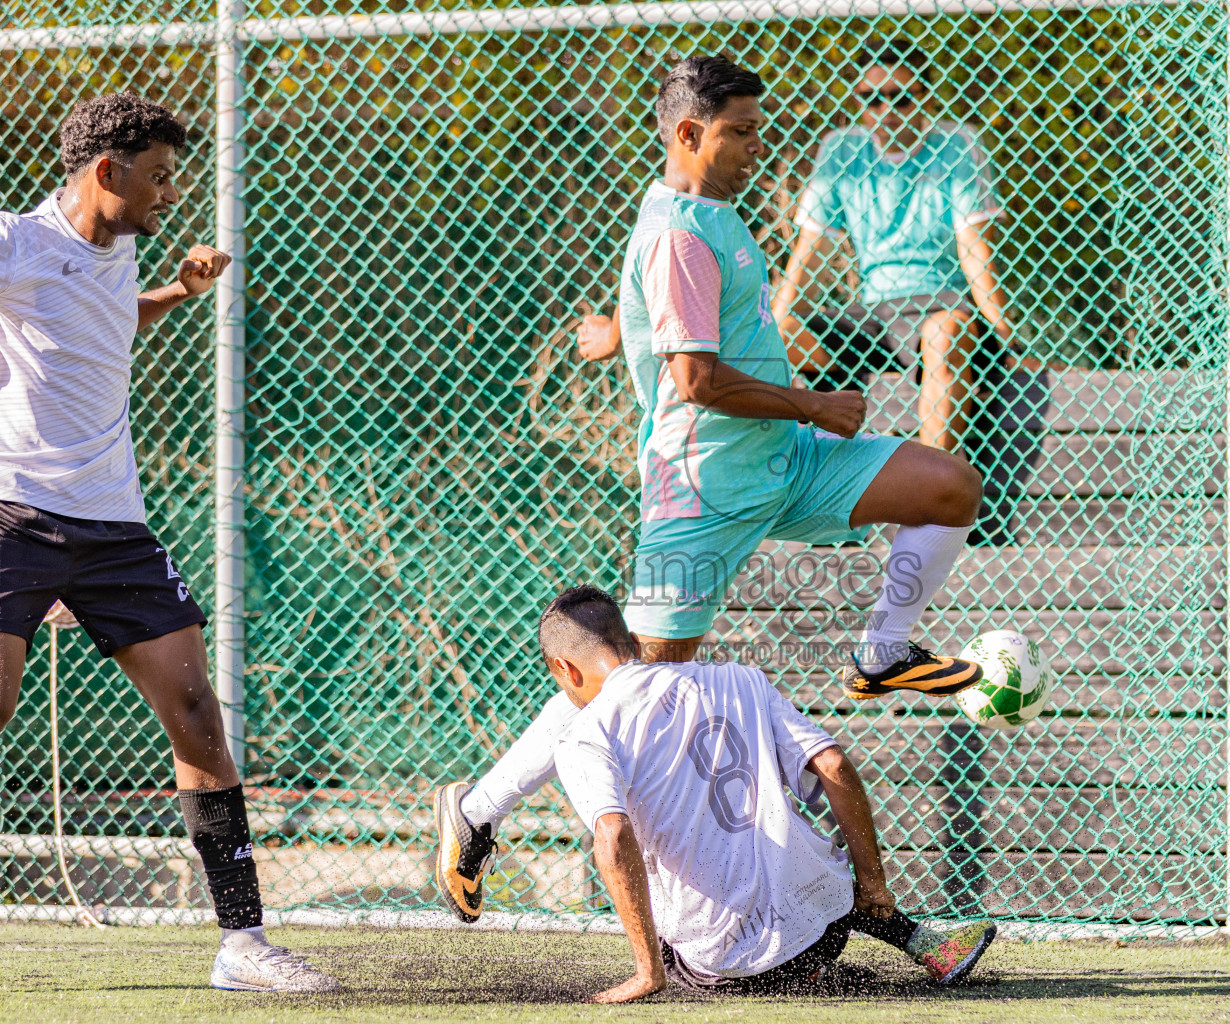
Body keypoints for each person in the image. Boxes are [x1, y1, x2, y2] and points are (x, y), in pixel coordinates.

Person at [0, 94, 335, 993]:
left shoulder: (124, 253)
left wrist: (178, 294)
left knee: (198, 720)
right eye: (158, 176)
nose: (170, 194)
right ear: (105, 173)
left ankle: (243, 944)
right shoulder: (18, 247)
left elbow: (105, 326)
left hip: (116, 532)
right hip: (12, 518)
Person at [570, 55, 984, 700]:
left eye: (756, 128)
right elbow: (695, 381)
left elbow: (680, 305)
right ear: (688, 135)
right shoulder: (678, 232)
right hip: (707, 483)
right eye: (739, 131)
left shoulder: (710, 212)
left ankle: (884, 655)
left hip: (783, 462)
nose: (756, 145)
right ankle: (483, 803)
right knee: (643, 687)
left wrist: (620, 329)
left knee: (948, 486)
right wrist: (812, 405)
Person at [434, 586, 997, 1002]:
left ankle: (767, 971)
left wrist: (645, 970)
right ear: (632, 640)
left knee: (693, 903)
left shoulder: (583, 733)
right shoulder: (742, 679)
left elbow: (612, 834)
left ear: (563, 668)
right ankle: (914, 939)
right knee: (793, 844)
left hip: (722, 962)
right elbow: (832, 764)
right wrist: (873, 882)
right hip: (824, 926)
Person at [773, 39, 1015, 453]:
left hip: (939, 302)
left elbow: (975, 251)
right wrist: (774, 324)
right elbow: (809, 255)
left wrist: (1006, 339)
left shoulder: (958, 145)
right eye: (872, 99)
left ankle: (931, 485)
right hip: (871, 311)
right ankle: (807, 467)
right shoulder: (842, 149)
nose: (885, 112)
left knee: (946, 334)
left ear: (925, 97)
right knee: (780, 336)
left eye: (900, 99)